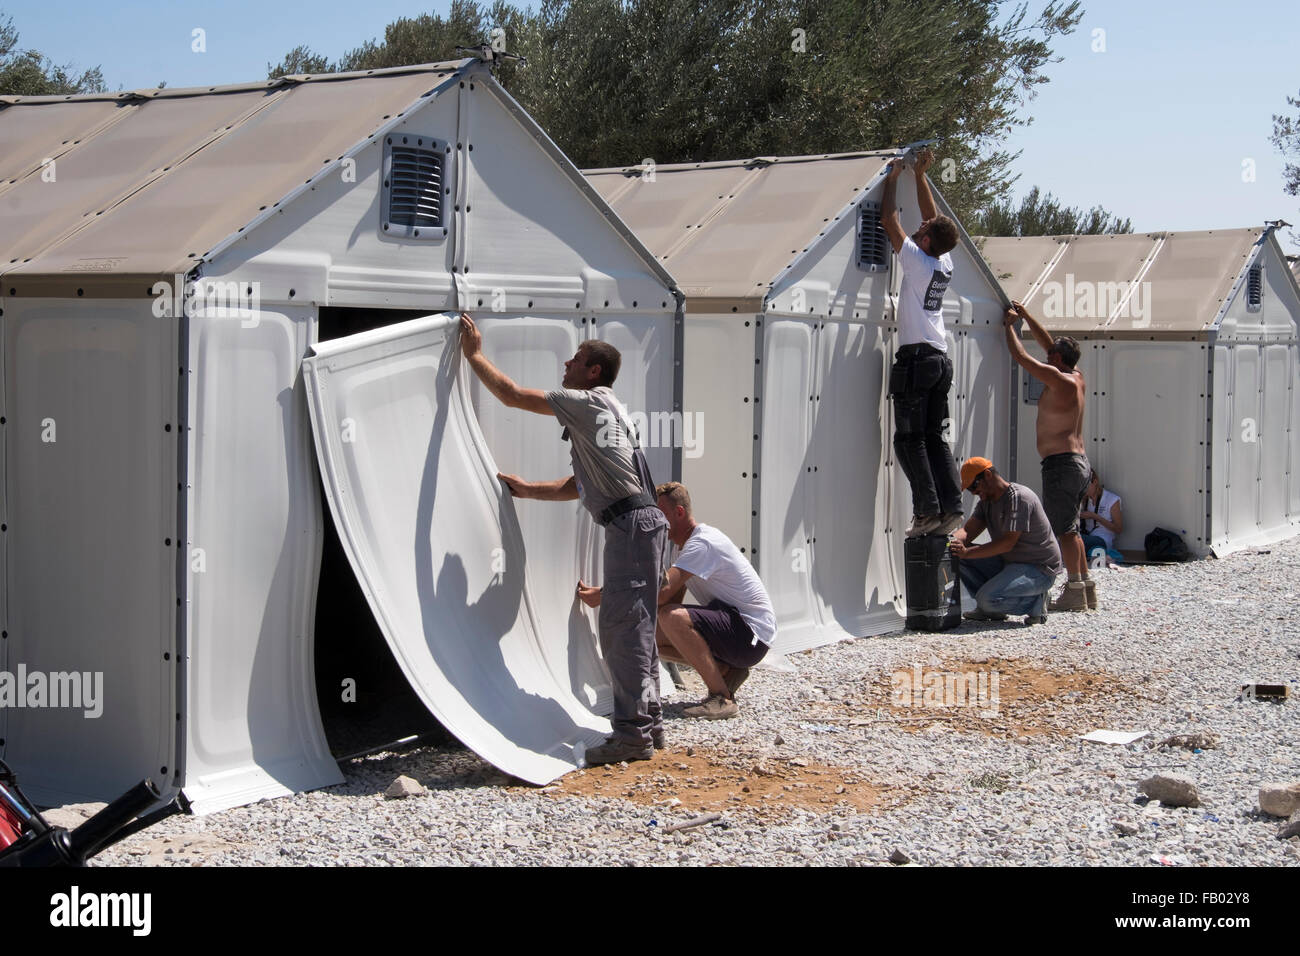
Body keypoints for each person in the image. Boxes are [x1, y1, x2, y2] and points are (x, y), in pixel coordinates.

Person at [458, 312, 668, 766]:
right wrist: (529, 490)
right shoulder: (612, 410)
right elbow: (581, 484)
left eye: (574, 361)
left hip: (631, 527)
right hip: (643, 523)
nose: (565, 367)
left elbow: (511, 395)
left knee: (622, 628)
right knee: (638, 625)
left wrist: (474, 354)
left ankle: (632, 735)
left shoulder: (585, 401)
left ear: (593, 371)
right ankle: (649, 722)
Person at [578, 481, 776, 720]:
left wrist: (606, 595)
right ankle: (725, 671)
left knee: (671, 618)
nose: (656, 522)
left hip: (751, 635)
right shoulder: (679, 548)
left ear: (679, 513)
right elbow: (669, 597)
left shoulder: (702, 543)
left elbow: (662, 594)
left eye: (661, 515)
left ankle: (721, 698)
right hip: (736, 629)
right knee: (650, 633)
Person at [880, 148, 964, 538]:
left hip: (917, 360)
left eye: (923, 230)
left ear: (927, 240)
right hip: (941, 359)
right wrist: (921, 176)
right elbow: (933, 219)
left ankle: (927, 511)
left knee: (908, 439)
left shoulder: (917, 259)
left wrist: (894, 176)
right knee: (934, 437)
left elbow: (887, 220)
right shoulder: (943, 261)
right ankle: (951, 509)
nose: (919, 228)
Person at [1002, 300, 1095, 612]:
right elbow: (1047, 344)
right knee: (1073, 529)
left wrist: (1009, 327)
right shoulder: (1076, 375)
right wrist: (1027, 316)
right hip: (1077, 464)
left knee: (1064, 532)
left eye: (1051, 354)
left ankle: (1073, 592)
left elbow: (1022, 357)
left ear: (1057, 359)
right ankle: (1084, 587)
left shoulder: (1059, 379)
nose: (1047, 353)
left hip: (1062, 465)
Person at [948, 457, 1063, 626]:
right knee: (956, 553)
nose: (973, 492)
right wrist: (945, 541)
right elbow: (967, 532)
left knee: (986, 599)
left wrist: (968, 552)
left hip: (1039, 569)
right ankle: (991, 610)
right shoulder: (986, 502)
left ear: (987, 475)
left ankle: (1036, 602)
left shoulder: (1018, 498)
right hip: (1011, 563)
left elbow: (1007, 543)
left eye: (974, 486)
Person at [1080, 470, 1124, 567]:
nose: (1084, 490)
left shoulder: (1112, 500)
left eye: (1085, 486)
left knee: (1077, 540)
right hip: (1088, 536)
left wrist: (1094, 516)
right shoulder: (1084, 498)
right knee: (1067, 536)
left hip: (1103, 539)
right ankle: (1102, 557)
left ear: (1095, 482)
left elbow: (1119, 529)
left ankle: (1103, 555)